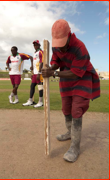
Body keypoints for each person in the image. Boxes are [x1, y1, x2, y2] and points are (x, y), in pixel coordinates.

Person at [42, 19, 100, 163]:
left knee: (76, 110)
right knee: (66, 109)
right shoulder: (56, 45)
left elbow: (75, 72)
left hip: (82, 77)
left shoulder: (80, 48)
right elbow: (56, 60)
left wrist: (53, 74)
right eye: (58, 44)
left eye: (63, 44)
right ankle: (70, 132)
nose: (60, 48)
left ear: (69, 35)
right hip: (66, 79)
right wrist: (51, 68)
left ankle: (75, 147)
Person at [23, 40, 43, 108]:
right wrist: (32, 71)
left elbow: (41, 62)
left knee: (40, 87)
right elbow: (35, 63)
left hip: (39, 73)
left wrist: (39, 72)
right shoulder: (35, 53)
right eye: (34, 45)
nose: (35, 46)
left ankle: (40, 102)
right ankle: (30, 100)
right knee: (32, 86)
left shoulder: (41, 52)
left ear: (39, 45)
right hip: (35, 73)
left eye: (36, 44)